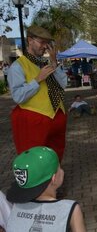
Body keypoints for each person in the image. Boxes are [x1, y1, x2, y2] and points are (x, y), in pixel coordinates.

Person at [8, 25, 67, 162]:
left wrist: (54, 62)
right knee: (34, 159)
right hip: (35, 120)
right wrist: (37, 80)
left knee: (55, 155)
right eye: (42, 42)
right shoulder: (17, 66)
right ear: (30, 40)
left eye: (47, 43)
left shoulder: (46, 63)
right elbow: (17, 96)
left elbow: (63, 84)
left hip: (56, 116)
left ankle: (53, 180)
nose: (45, 46)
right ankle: (39, 182)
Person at [6, 146, 86, 231]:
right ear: (54, 178)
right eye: (59, 168)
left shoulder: (17, 206)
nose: (62, 171)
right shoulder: (69, 209)